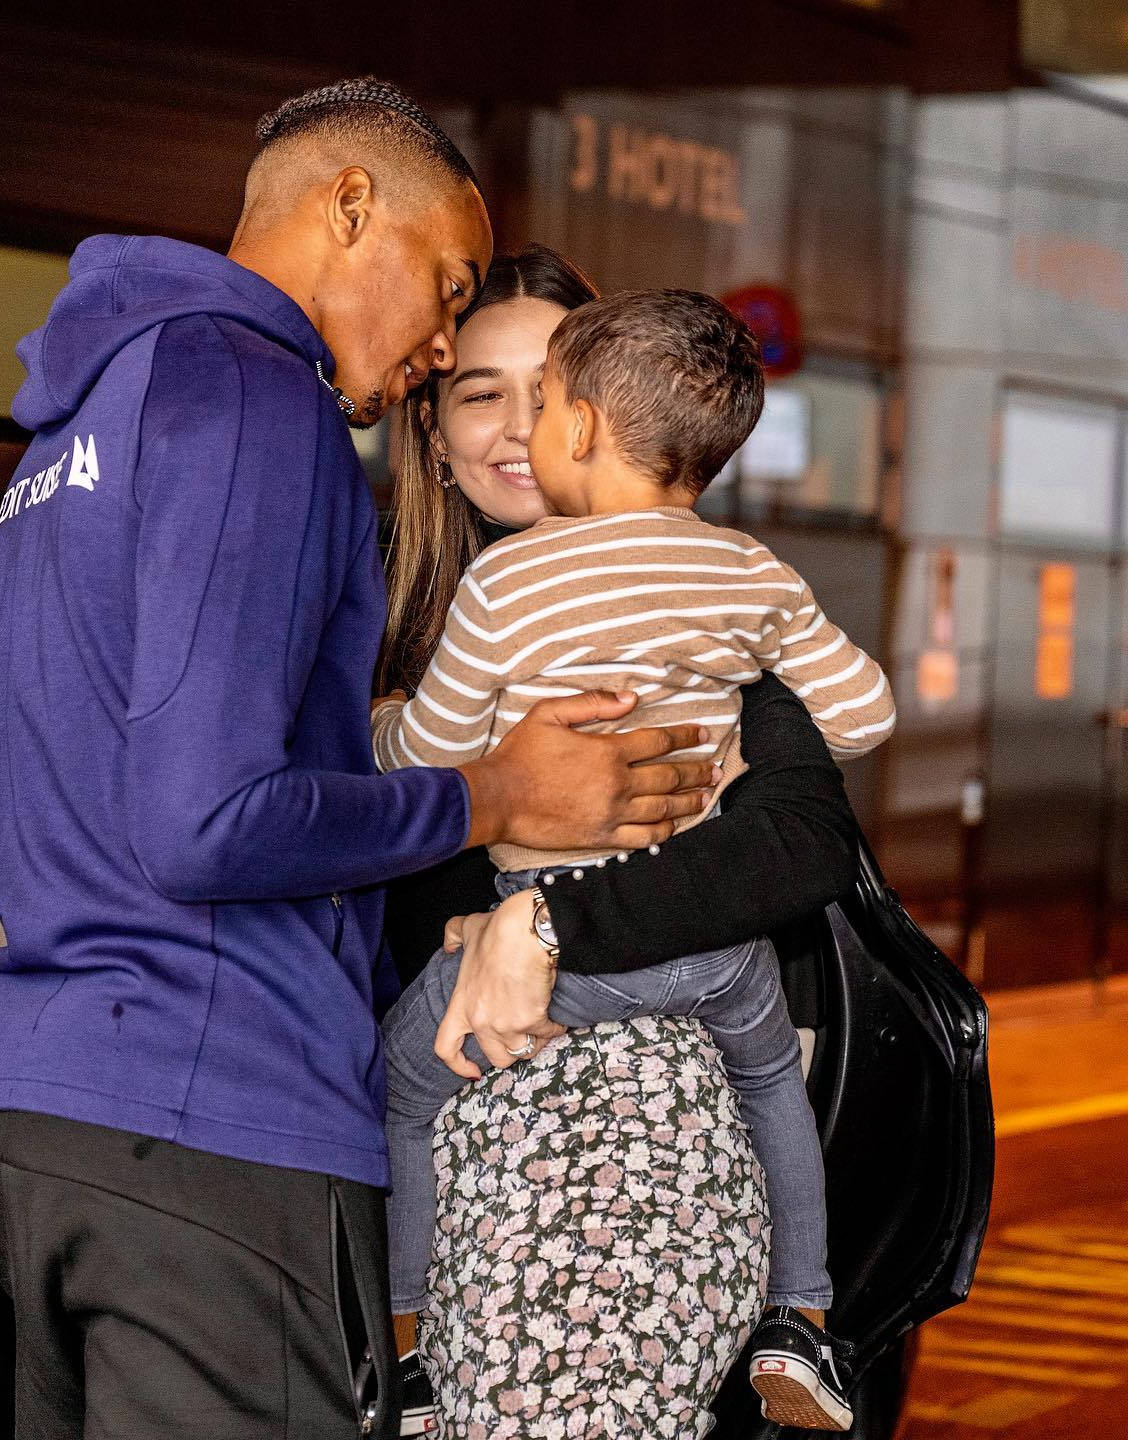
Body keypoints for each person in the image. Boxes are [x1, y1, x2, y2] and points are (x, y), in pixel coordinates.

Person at [0, 81, 720, 1440]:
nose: (436, 337)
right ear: (349, 206)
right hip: (207, 1121)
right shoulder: (257, 395)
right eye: (446, 283)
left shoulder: (84, 413)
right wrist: (501, 791)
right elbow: (206, 822)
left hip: (39, 1112)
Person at [375, 287, 891, 1432]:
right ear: (430, 425)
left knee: (397, 1086)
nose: (518, 429)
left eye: (542, 395)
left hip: (618, 1153)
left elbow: (805, 841)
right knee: (773, 1085)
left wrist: (541, 912)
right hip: (717, 977)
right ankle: (800, 1325)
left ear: (588, 423)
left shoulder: (500, 596)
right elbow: (864, 708)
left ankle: (401, 1350)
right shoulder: (743, 578)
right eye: (479, 393)